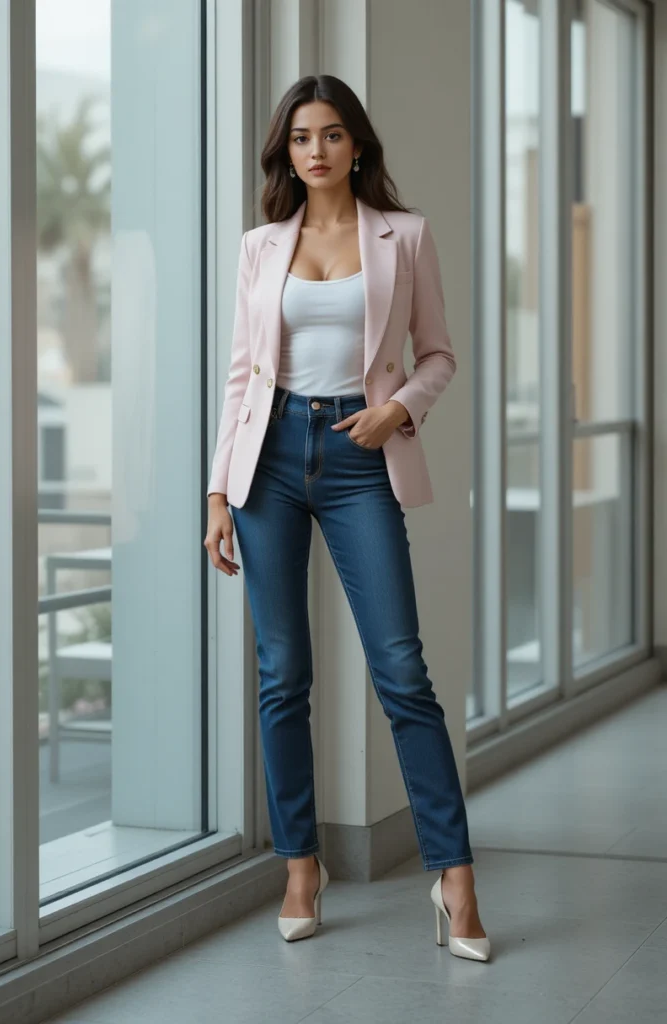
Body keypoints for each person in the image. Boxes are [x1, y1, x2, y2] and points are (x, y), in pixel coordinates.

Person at [204, 74, 490, 962]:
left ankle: (454, 878)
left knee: (401, 670)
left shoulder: (405, 235)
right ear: (284, 152)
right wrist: (216, 491)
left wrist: (396, 408)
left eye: (330, 134)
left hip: (361, 459)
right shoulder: (259, 246)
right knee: (281, 674)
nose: (315, 150)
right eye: (300, 138)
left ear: (355, 144)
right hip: (268, 461)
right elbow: (242, 375)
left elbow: (437, 354)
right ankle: (301, 866)